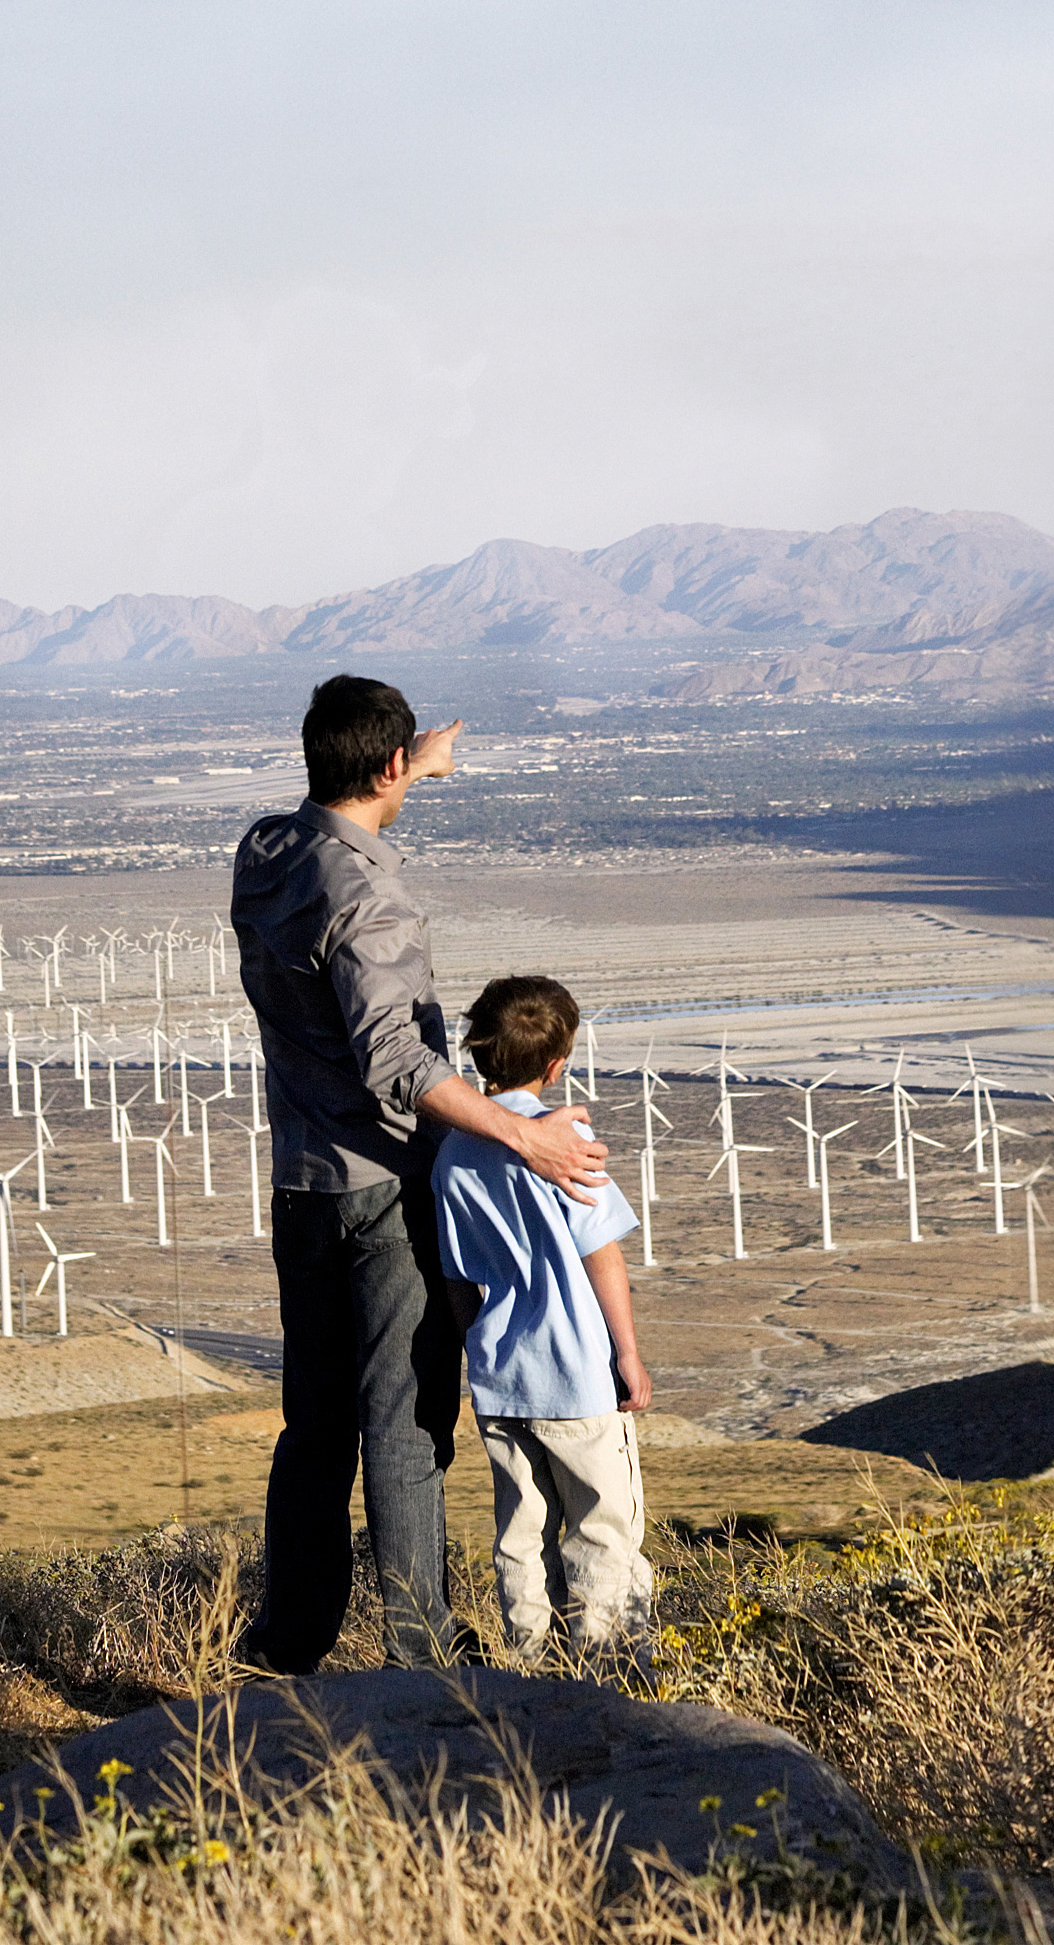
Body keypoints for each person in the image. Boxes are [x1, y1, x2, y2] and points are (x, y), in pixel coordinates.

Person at [230, 673, 611, 1675]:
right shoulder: (371, 895)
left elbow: (333, 817)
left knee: (313, 1419)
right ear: (387, 764)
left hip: (299, 1180)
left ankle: (288, 1639)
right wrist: (525, 1138)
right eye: (405, 767)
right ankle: (420, 1648)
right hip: (381, 1185)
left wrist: (417, 764)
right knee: (403, 1423)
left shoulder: (264, 852)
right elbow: (397, 1061)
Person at [436, 974, 656, 1663]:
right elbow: (603, 1257)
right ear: (557, 1063)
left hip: (502, 1379)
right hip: (579, 1377)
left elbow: (455, 1277)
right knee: (601, 1530)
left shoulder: (452, 1152)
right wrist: (628, 1352)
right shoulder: (564, 1139)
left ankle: (530, 1665)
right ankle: (607, 1671)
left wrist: (478, 1345)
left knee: (521, 1535)